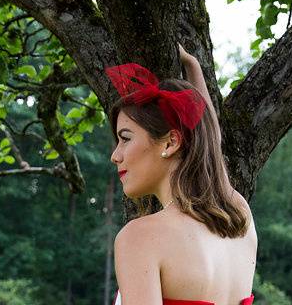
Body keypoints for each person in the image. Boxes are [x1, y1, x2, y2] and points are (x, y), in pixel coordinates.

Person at [108, 44, 257, 305]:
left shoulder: (140, 238)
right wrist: (192, 66)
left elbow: (212, 141)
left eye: (125, 139)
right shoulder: (238, 216)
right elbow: (211, 140)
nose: (115, 155)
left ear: (170, 143)